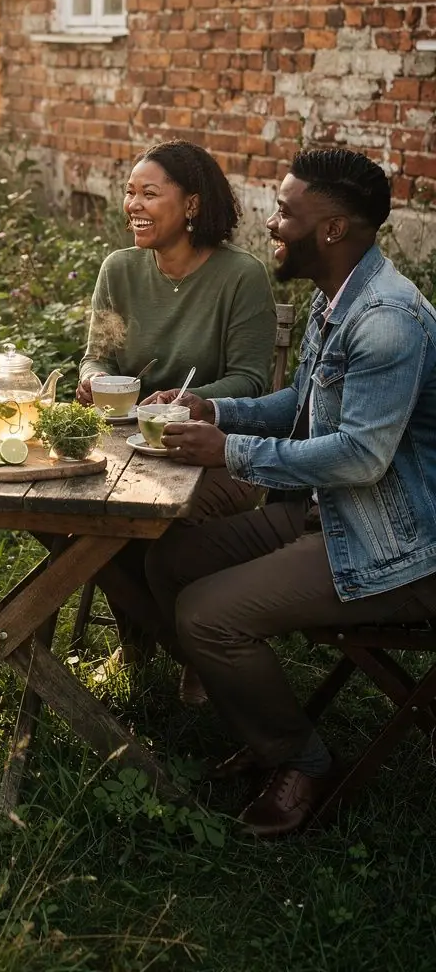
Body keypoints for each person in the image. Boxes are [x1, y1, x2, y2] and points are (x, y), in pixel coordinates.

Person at [145, 147, 436, 837]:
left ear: (331, 229)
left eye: (284, 212)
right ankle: (262, 724)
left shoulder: (387, 319)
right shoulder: (336, 296)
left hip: (399, 543)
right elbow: (302, 406)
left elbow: (361, 457)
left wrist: (232, 453)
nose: (270, 224)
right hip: (330, 516)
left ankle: (302, 760)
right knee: (168, 561)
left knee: (207, 615)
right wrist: (214, 413)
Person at [76, 140, 276, 678]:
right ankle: (142, 642)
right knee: (85, 518)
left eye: (149, 193)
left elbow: (253, 381)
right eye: (129, 192)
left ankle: (193, 656)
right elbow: (95, 358)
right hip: (127, 445)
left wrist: (197, 401)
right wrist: (97, 383)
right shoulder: (119, 269)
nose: (132, 205)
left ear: (191, 205)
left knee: (164, 525)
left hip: (211, 452)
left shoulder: (241, 276)